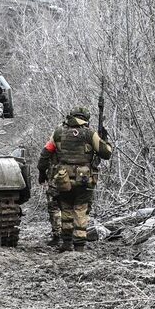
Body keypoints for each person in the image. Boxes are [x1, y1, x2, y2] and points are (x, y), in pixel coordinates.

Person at [35, 105, 113, 250]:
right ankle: (79, 246)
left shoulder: (58, 132)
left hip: (63, 178)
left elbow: (45, 152)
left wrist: (42, 172)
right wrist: (105, 139)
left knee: (66, 209)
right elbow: (106, 153)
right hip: (84, 180)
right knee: (80, 210)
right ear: (85, 118)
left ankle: (66, 243)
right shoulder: (89, 133)